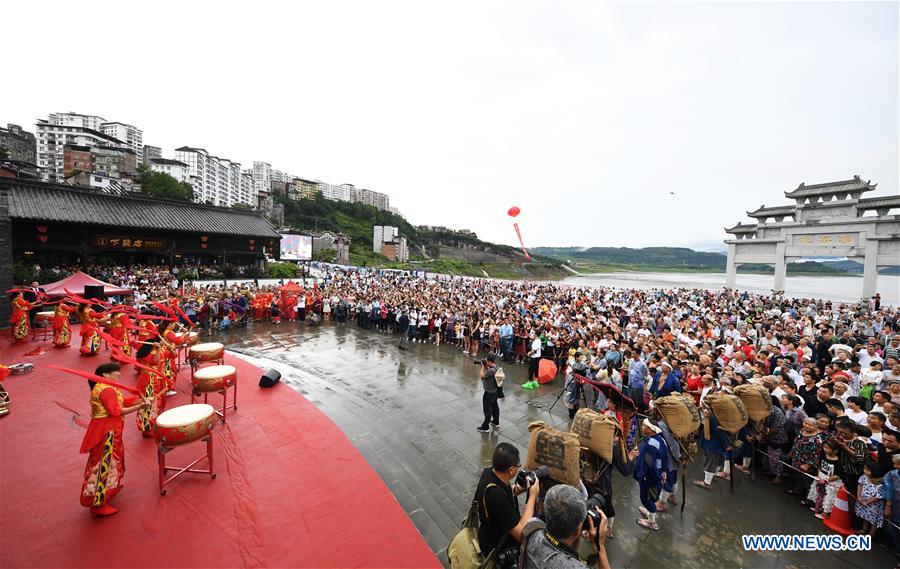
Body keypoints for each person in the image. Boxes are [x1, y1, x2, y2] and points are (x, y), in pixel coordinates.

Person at [80, 363, 148, 516]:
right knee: (105, 463)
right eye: (115, 372)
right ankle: (97, 503)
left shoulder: (104, 387)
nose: (118, 375)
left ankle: (110, 489)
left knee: (111, 460)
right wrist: (140, 407)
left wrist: (140, 399)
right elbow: (117, 411)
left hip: (109, 429)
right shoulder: (107, 390)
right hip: (107, 432)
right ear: (105, 374)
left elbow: (122, 401)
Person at [474, 443, 540, 558]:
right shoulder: (496, 496)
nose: (519, 467)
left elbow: (507, 491)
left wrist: (522, 488)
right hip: (497, 548)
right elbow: (521, 534)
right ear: (511, 470)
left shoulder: (489, 472)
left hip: (487, 532)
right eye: (518, 465)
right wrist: (532, 496)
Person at [522, 484, 611, 569]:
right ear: (577, 530)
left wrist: (532, 496)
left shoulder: (532, 530)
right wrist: (600, 546)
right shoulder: (576, 566)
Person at [634, 418, 669, 530]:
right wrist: (664, 471)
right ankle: (649, 510)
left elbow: (651, 465)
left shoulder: (650, 444)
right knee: (651, 496)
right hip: (657, 476)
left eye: (644, 426)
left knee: (646, 499)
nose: (642, 427)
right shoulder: (661, 440)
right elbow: (664, 458)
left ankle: (652, 521)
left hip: (649, 478)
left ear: (650, 429)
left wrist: (658, 477)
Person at [855, 461, 885, 537]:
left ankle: (871, 534)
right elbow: (860, 485)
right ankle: (864, 529)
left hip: (874, 506)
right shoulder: (864, 477)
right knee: (865, 516)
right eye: (864, 469)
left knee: (873, 520)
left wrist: (868, 502)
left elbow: (878, 496)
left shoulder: (880, 483)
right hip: (863, 501)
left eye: (868, 470)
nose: (865, 471)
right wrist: (859, 496)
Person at [880, 454, 900, 562]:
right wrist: (888, 506)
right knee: (894, 529)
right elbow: (888, 491)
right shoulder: (892, 475)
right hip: (895, 507)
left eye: (897, 464)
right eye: (895, 464)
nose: (895, 466)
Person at [477, 355, 501, 432]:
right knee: (495, 407)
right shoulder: (496, 367)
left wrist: (482, 367)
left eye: (486, 361)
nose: (485, 362)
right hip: (495, 391)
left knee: (487, 409)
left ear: (490, 362)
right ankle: (496, 422)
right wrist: (485, 366)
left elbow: (482, 376)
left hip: (489, 392)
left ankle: (485, 427)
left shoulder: (491, 370)